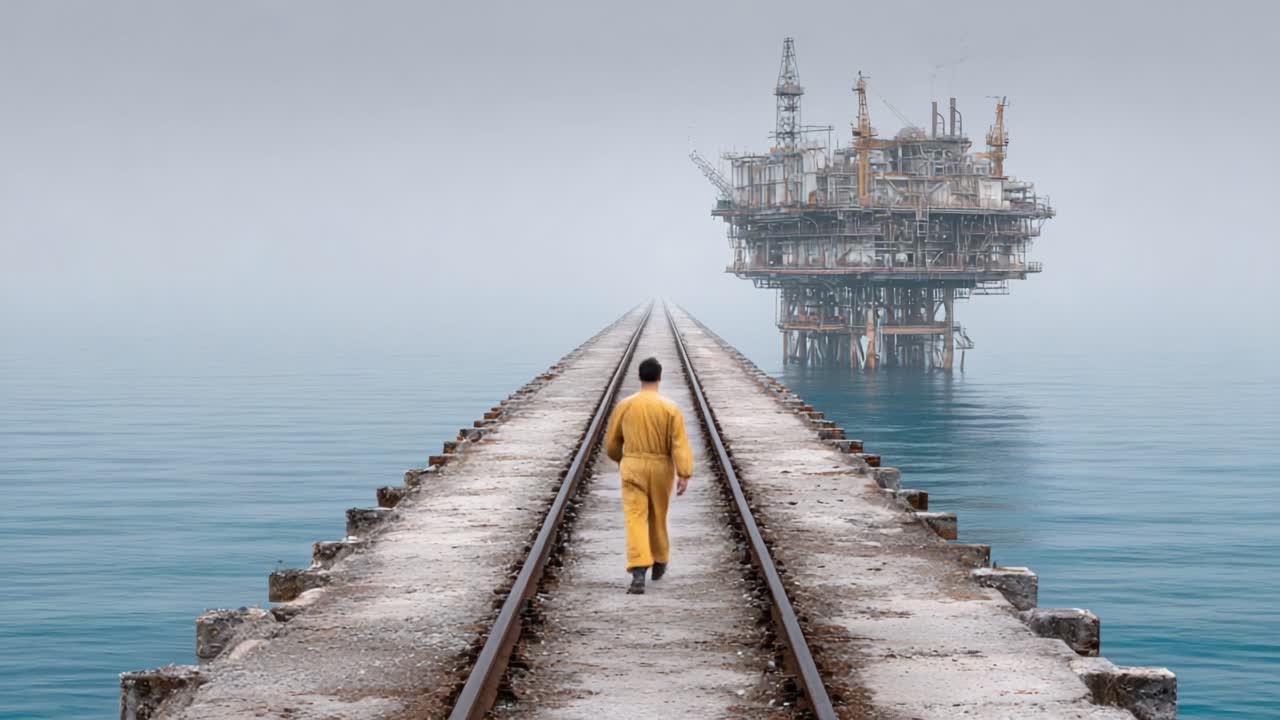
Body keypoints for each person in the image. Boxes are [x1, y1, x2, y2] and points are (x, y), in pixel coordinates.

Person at [604, 356, 694, 594]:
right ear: (659, 377)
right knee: (658, 515)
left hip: (633, 466)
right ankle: (660, 559)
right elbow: (679, 444)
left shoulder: (625, 406)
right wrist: (684, 473)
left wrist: (623, 460)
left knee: (635, 517)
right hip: (661, 467)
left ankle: (638, 569)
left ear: (639, 377)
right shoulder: (670, 408)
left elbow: (612, 444)